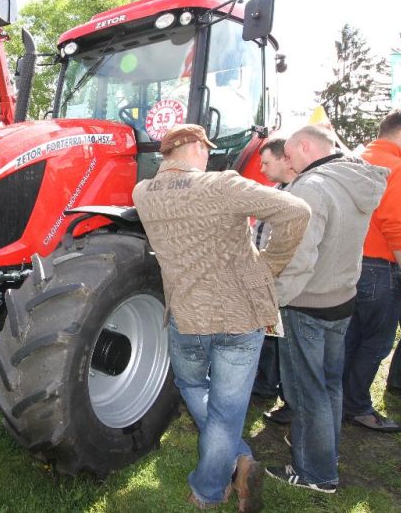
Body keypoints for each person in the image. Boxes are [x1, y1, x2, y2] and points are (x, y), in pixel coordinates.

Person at [133, 124, 311, 511]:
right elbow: (297, 211)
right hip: (240, 313)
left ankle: (231, 468)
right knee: (227, 411)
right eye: (205, 149)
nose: (207, 155)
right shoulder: (222, 185)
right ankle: (212, 486)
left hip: (188, 313)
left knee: (194, 387)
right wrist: (269, 266)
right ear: (195, 147)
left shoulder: (142, 192)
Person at [266, 125, 387, 493]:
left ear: (305, 147)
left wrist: (276, 297)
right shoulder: (353, 178)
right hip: (341, 298)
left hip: (307, 303)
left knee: (307, 390)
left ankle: (315, 473)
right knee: (329, 385)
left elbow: (300, 257)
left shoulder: (312, 187)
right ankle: (324, 454)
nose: (287, 162)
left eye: (288, 154)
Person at [341, 110, 401, 432]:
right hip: (380, 269)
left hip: (346, 264)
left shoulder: (353, 158)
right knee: (376, 343)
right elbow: (397, 226)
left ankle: (339, 402)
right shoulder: (396, 166)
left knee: (349, 338)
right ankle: (357, 405)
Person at [251, 138, 298, 425]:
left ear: (285, 159)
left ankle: (291, 400)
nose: (262, 168)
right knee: (270, 335)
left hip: (282, 280)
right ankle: (265, 385)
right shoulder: (277, 191)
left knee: (287, 342)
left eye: (267, 162)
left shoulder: (297, 196)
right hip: (266, 277)